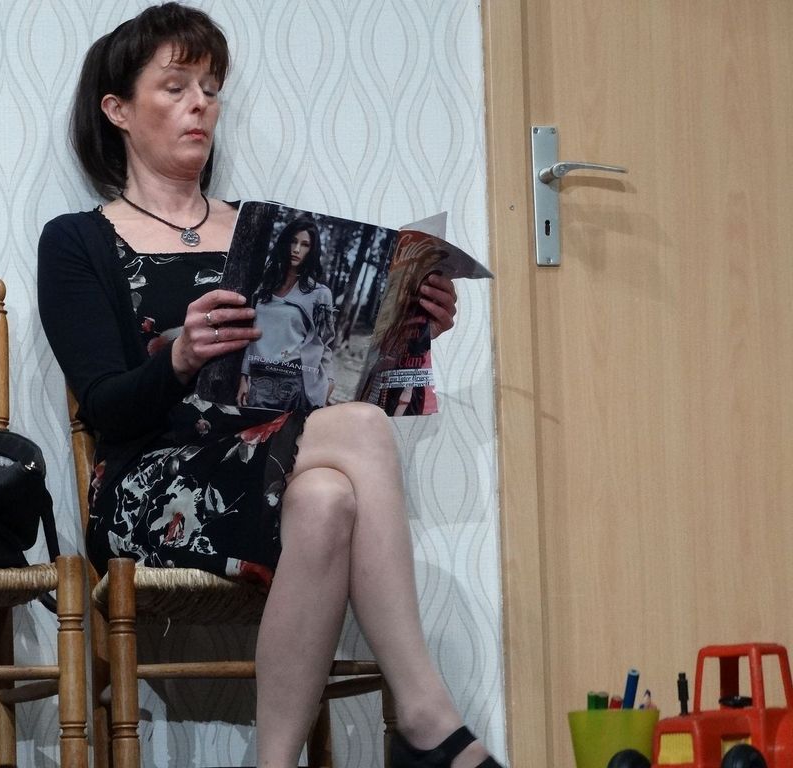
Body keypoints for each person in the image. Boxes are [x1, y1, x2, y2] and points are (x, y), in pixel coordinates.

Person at [36, 4, 497, 768]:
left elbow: (328, 380)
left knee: (328, 500)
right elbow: (108, 409)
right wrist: (179, 359)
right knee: (361, 432)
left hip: (275, 457)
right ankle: (426, 717)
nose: (200, 104)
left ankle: (274, 762)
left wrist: (407, 332)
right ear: (117, 109)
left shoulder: (268, 231)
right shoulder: (77, 240)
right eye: (176, 87)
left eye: (210, 88)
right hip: (150, 483)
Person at [239, 217, 336, 410]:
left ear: (312, 250)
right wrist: (244, 376)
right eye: (293, 241)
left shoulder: (319, 294)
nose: (297, 249)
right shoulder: (264, 286)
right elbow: (250, 335)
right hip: (258, 380)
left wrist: (329, 382)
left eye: (305, 245)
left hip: (293, 384)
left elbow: (324, 343)